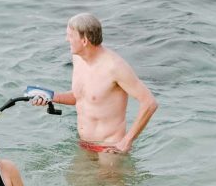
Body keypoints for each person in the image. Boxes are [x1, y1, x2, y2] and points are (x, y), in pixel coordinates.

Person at [32, 13, 157, 154]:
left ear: (84, 40)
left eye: (70, 35)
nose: (67, 39)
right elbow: (82, 97)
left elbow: (149, 102)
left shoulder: (115, 67)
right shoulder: (78, 59)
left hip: (110, 149)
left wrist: (127, 141)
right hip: (84, 145)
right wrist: (51, 96)